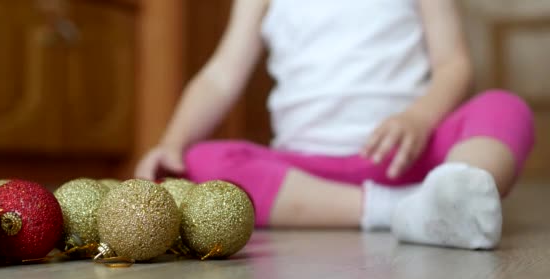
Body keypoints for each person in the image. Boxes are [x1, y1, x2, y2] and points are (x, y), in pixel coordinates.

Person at [135, 0, 534, 250]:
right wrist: (173, 140)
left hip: (411, 157)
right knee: (203, 161)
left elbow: (454, 63)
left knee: (504, 108)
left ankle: (456, 190)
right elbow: (221, 75)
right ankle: (403, 209)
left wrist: (420, 116)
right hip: (305, 176)